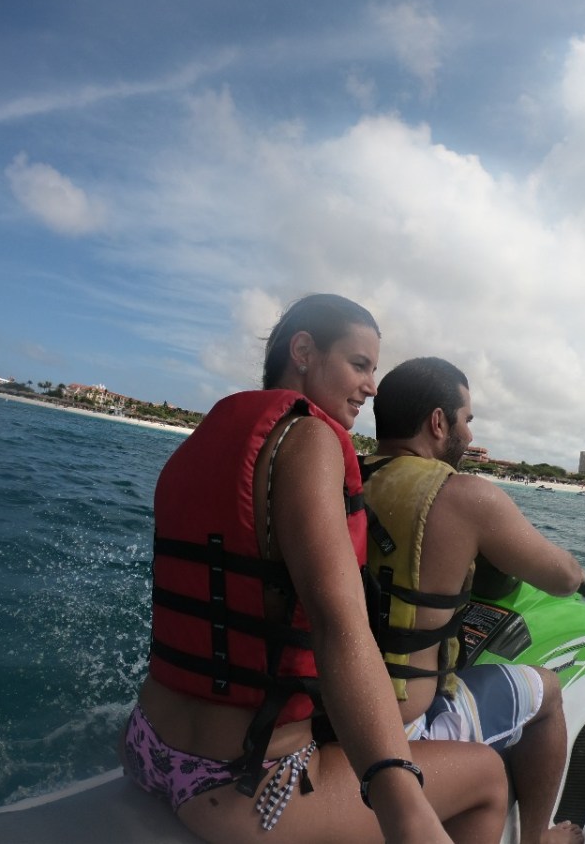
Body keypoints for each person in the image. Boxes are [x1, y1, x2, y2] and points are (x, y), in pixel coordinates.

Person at [122, 297, 508, 844]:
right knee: (487, 776)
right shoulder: (310, 438)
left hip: (144, 745)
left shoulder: (207, 437)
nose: (372, 385)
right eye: (359, 364)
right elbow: (335, 623)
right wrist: (402, 801)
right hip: (243, 788)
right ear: (303, 351)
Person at [361, 356, 585, 844]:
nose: (467, 432)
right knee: (547, 692)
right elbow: (563, 579)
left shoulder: (346, 479)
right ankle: (537, 838)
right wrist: (576, 567)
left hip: (343, 712)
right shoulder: (464, 496)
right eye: (466, 419)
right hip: (408, 726)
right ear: (438, 422)